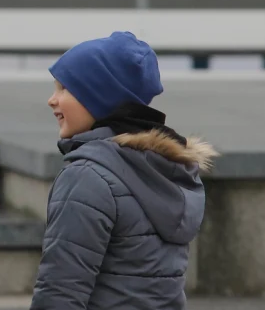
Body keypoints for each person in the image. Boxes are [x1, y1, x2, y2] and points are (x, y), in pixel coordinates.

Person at [32, 31, 218, 310]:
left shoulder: (87, 177)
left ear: (97, 97)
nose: (52, 99)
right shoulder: (167, 171)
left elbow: (60, 292)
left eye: (64, 88)